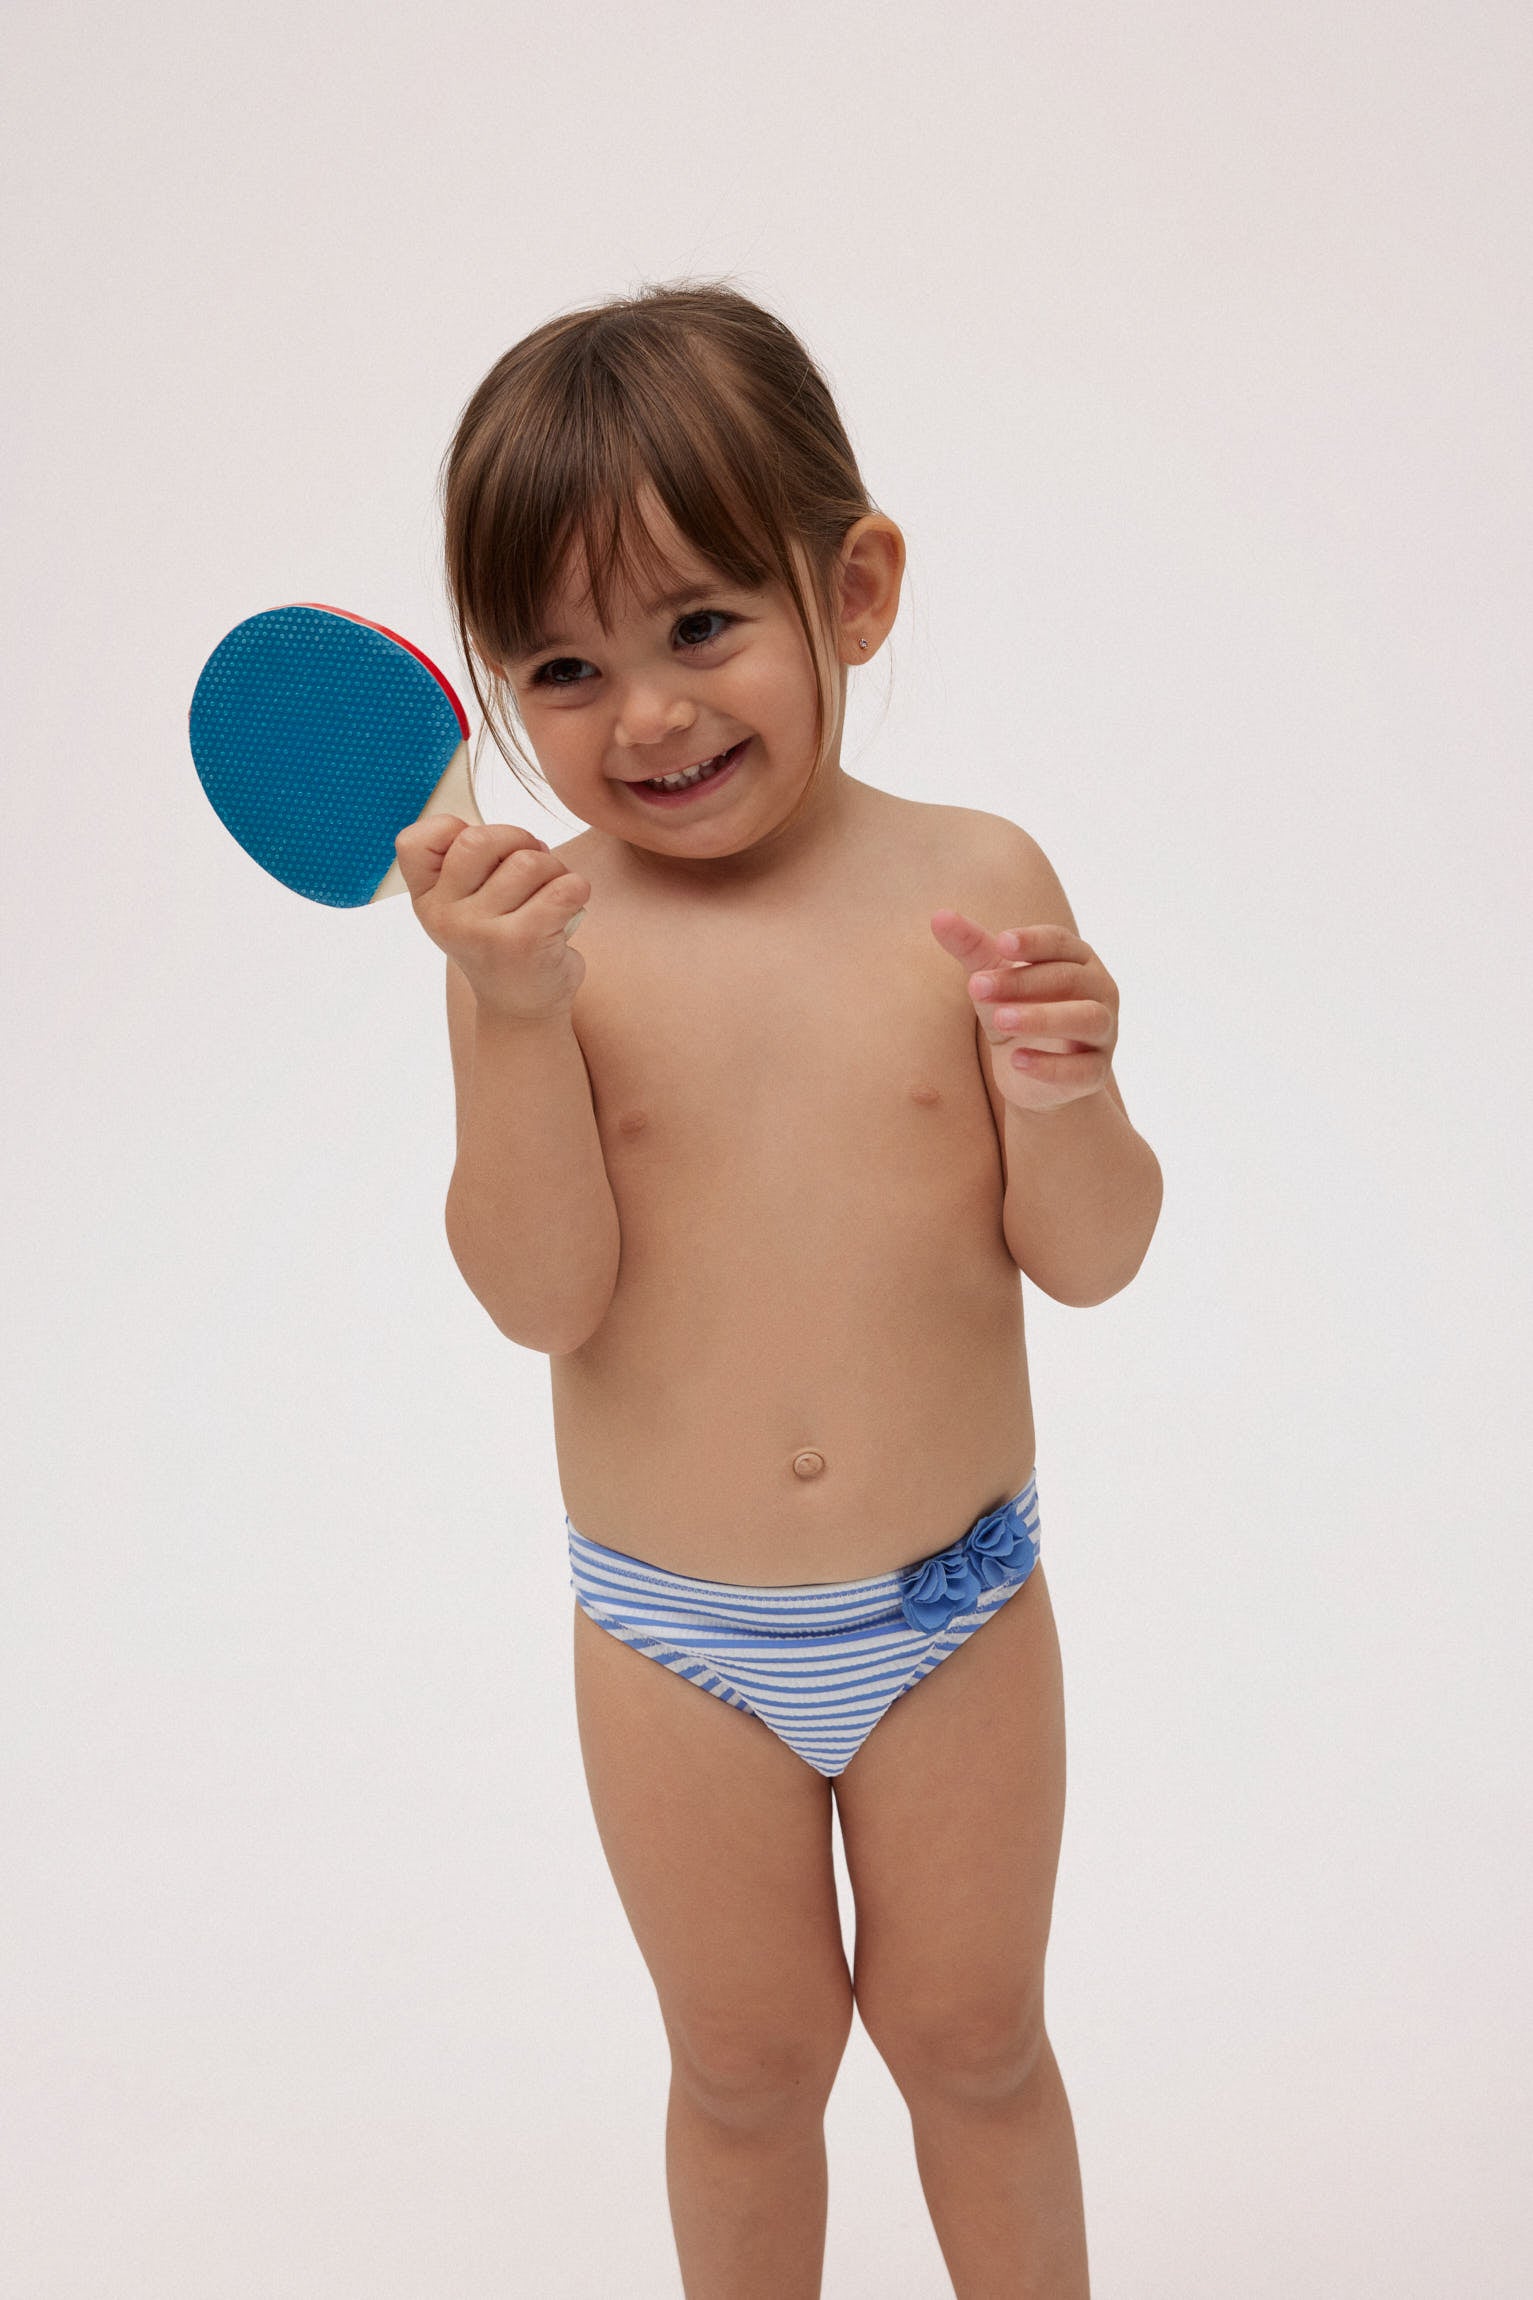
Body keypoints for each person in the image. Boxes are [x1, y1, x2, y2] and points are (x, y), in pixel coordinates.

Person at [393, 277, 1162, 2299]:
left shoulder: (974, 881)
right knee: (742, 2069)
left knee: (975, 2044)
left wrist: (1066, 1089)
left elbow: (1091, 1256)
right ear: (492, 687)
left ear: (858, 587)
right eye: (561, 665)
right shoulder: (545, 944)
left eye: (700, 627)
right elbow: (541, 1293)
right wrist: (508, 1015)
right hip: (673, 1635)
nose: (640, 715)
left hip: (950, 1606)